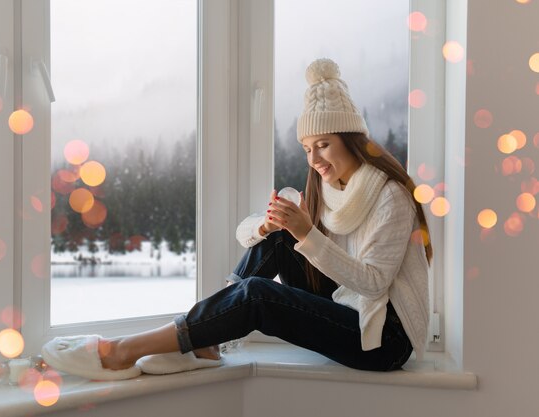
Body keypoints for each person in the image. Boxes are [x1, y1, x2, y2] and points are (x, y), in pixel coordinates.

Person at [42, 58, 432, 378]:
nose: (314, 160)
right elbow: (247, 232)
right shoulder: (327, 189)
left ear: (351, 138)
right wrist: (270, 226)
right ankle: (205, 340)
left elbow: (374, 282)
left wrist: (308, 234)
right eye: (307, 148)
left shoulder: (389, 195)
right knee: (281, 238)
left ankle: (123, 351)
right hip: (348, 309)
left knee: (259, 297)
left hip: (382, 338)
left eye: (324, 145)